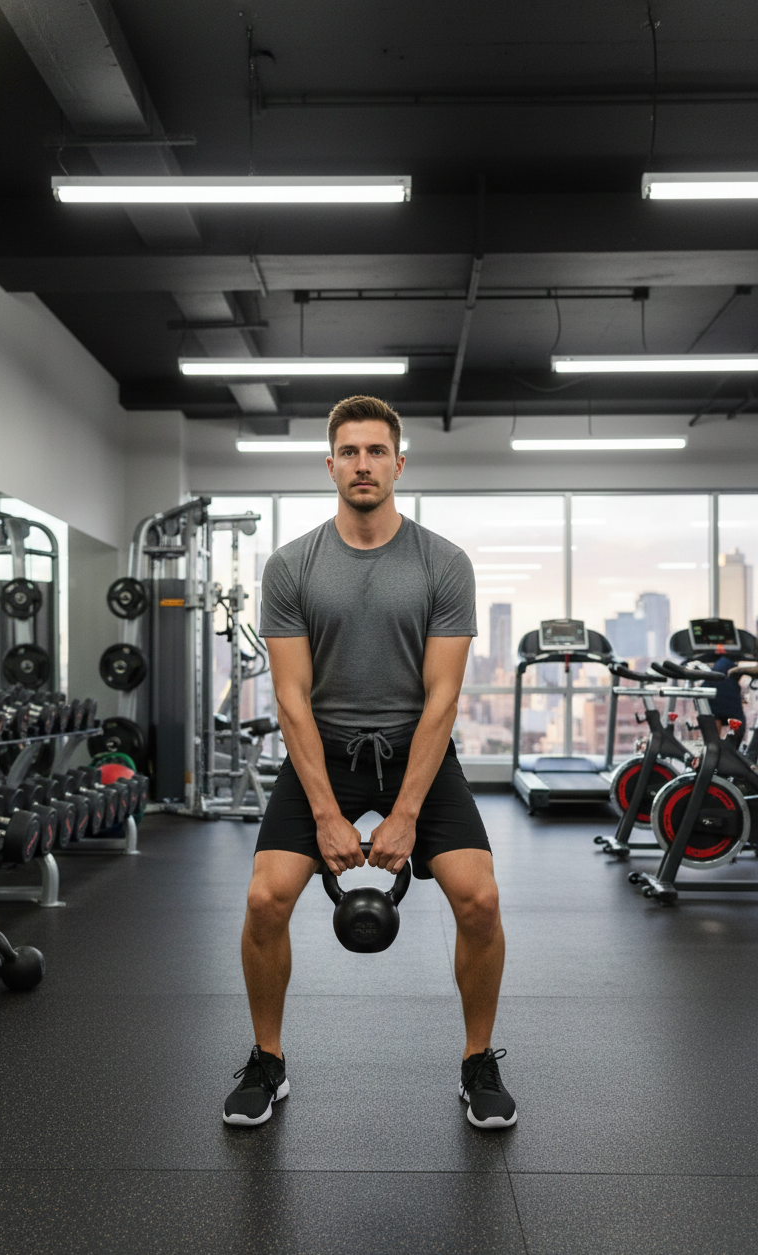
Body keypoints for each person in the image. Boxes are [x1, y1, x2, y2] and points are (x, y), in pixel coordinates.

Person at [223, 395, 516, 1131]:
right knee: (266, 899)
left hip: (418, 752)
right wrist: (325, 813)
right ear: (330, 465)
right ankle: (268, 1059)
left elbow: (443, 697)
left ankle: (478, 1059)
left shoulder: (443, 563)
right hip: (324, 754)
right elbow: (290, 698)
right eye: (349, 452)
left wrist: (408, 812)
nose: (363, 464)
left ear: (398, 463)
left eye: (376, 451)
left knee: (478, 898)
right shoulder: (293, 566)